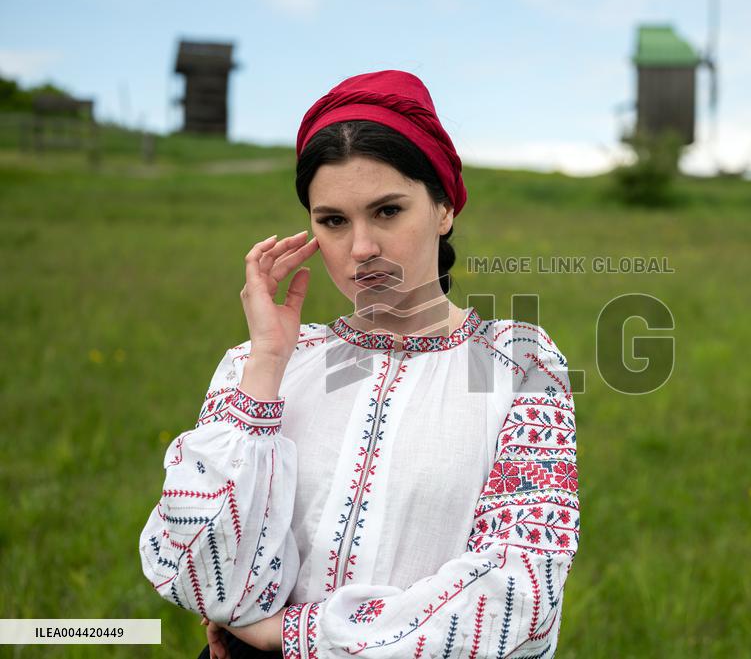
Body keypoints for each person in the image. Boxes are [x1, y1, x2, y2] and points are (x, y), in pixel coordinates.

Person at [138, 69, 579, 659]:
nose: (361, 248)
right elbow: (201, 577)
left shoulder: (518, 363)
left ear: (444, 207)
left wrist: (291, 633)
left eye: (388, 211)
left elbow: (520, 596)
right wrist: (267, 367)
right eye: (334, 221)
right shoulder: (261, 365)